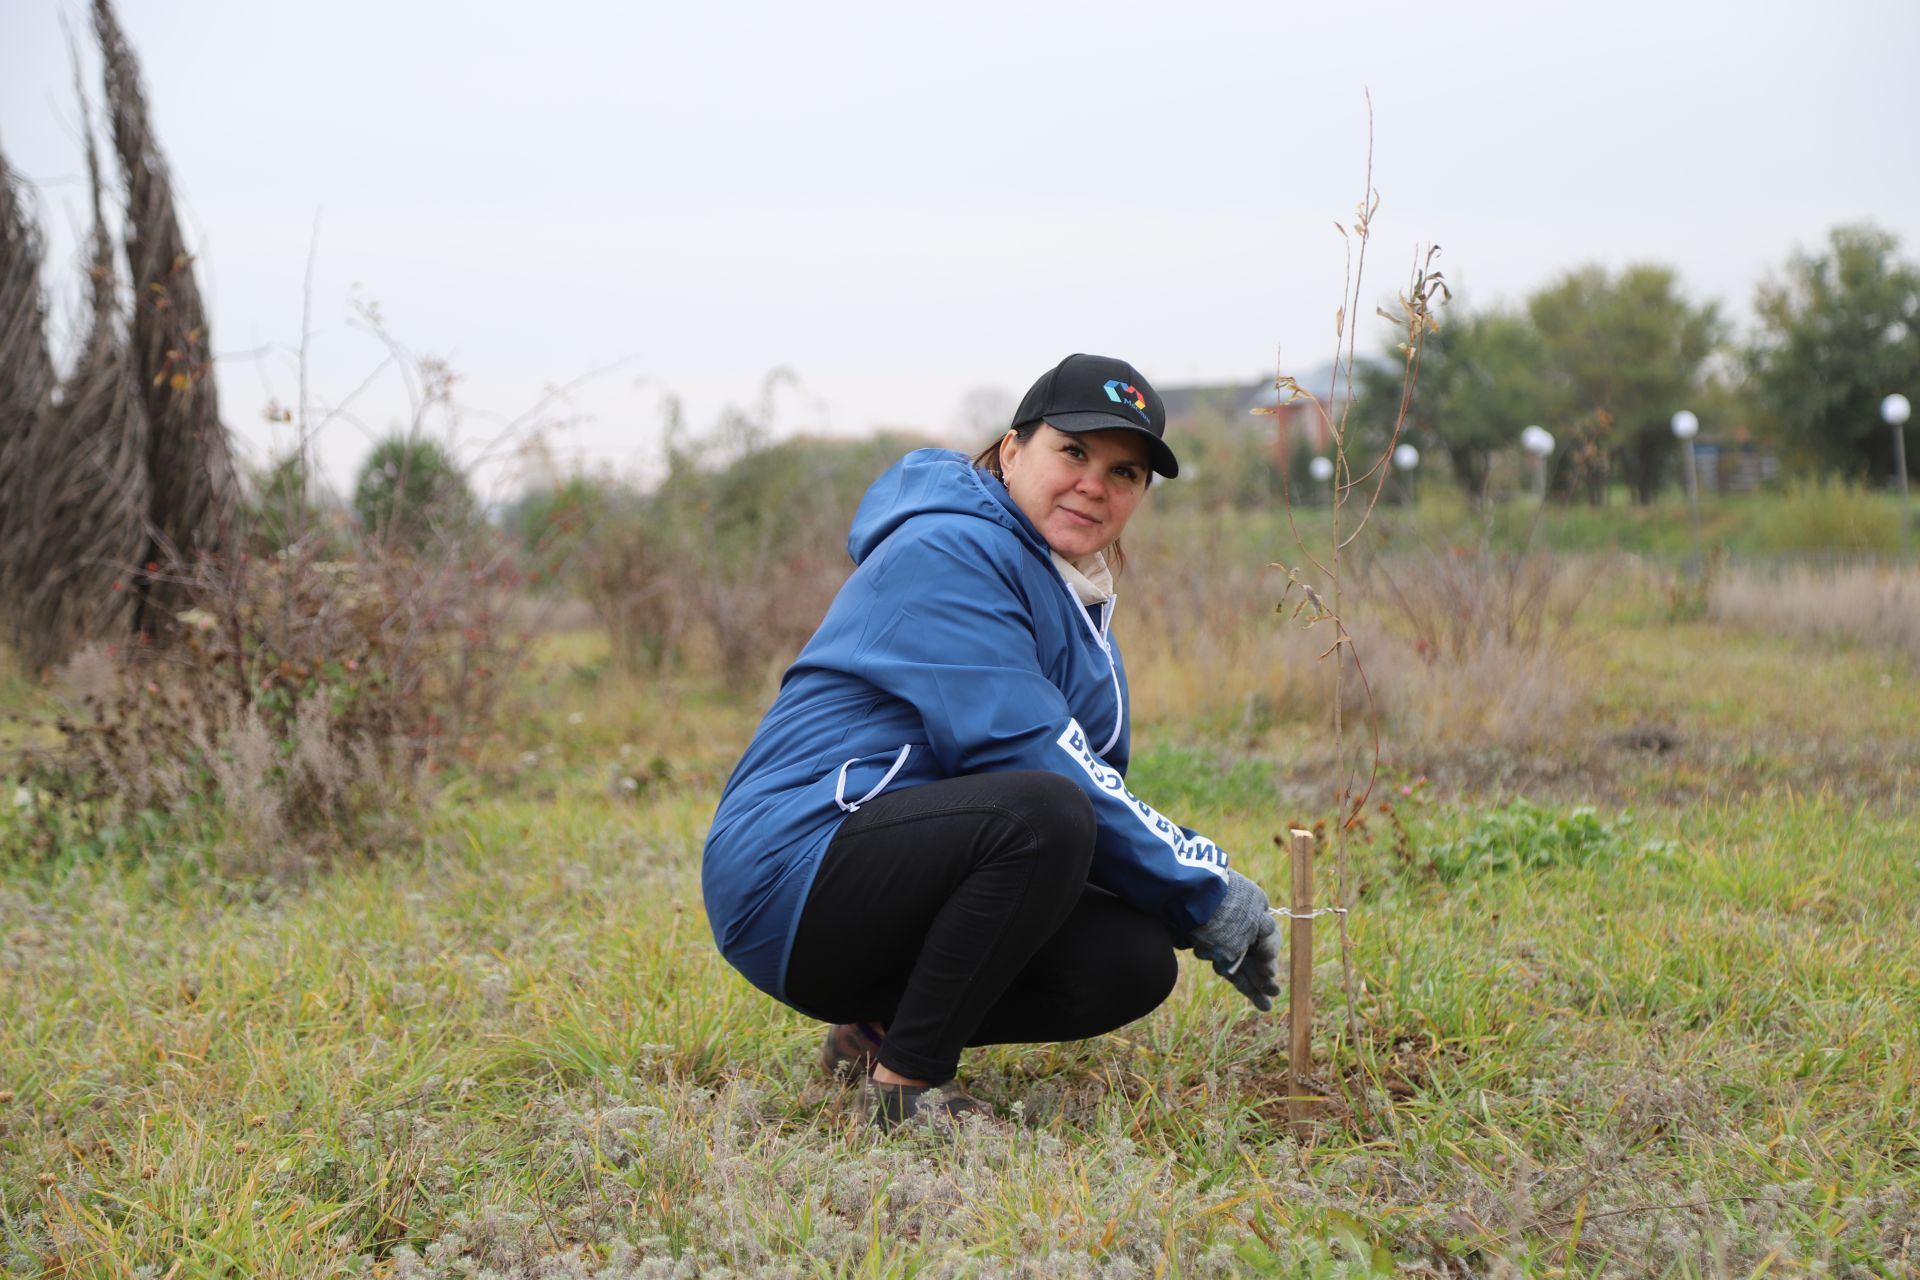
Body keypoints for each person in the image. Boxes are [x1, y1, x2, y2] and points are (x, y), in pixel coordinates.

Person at [700, 353, 1281, 1129]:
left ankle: (874, 1035)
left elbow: (1089, 777)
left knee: (1131, 959)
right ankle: (908, 1089)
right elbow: (1033, 757)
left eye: (1126, 473)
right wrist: (1204, 888)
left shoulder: (1063, 588)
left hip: (894, 869)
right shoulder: (948, 550)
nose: (1095, 484)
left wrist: (1173, 902)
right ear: (1012, 450)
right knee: (1046, 812)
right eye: (1072, 452)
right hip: (794, 870)